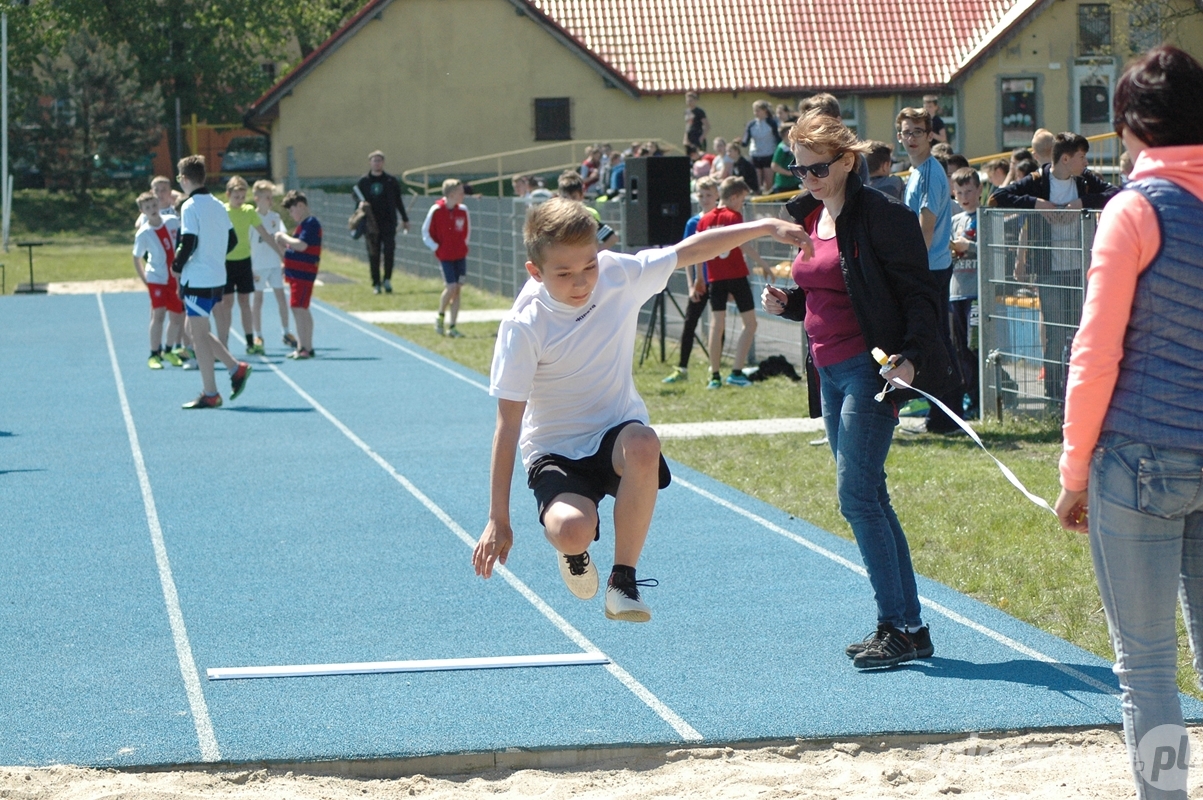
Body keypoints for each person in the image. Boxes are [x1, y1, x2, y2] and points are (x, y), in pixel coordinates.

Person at [472, 196, 810, 622]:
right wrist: (497, 519)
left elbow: (691, 250)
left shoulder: (617, 274)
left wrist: (763, 226)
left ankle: (622, 581)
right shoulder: (524, 326)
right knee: (574, 531)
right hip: (555, 450)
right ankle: (576, 551)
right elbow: (507, 424)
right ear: (535, 272)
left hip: (616, 432)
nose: (581, 283)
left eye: (589, 266)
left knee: (644, 442)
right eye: (564, 274)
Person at [1053, 45, 1203, 800]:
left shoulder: (1133, 209)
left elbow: (1095, 351)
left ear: (1129, 126)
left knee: (1145, 667)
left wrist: (1072, 472)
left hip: (1139, 459)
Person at [763, 112, 955, 669]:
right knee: (873, 496)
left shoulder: (883, 219)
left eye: (818, 168)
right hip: (827, 372)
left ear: (848, 161)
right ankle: (911, 627)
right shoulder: (810, 216)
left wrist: (913, 358)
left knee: (855, 497)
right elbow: (833, 288)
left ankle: (893, 625)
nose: (808, 179)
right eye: (799, 170)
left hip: (871, 373)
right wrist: (791, 305)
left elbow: (920, 297)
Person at [989, 132, 1119, 403]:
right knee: (1055, 334)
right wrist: (1037, 204)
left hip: (1079, 269)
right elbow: (998, 197)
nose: (1086, 162)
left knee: (1080, 333)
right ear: (1065, 158)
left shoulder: (1084, 181)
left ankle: (1080, 393)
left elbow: (1115, 193)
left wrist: (1081, 203)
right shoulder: (1037, 181)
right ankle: (1053, 395)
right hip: (1049, 270)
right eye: (1081, 157)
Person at [897, 106, 962, 433]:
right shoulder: (919, 170)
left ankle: (947, 416)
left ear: (929, 135)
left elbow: (925, 229)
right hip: (930, 267)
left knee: (936, 340)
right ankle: (943, 415)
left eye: (917, 132)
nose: (911, 138)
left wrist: (911, 270)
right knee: (934, 338)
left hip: (930, 269)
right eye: (906, 132)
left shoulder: (930, 173)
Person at [171, 155, 251, 409]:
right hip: (217, 276)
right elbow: (233, 241)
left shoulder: (189, 206)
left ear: (184, 179)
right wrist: (214, 256)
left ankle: (212, 391)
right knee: (198, 333)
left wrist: (176, 266)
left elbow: (188, 242)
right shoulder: (217, 204)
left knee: (197, 335)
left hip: (198, 278)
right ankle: (233, 368)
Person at [701, 176, 773, 389]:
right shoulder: (734, 216)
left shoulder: (705, 220)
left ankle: (714, 375)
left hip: (715, 278)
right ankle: (735, 371)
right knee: (750, 324)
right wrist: (764, 265)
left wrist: (698, 277)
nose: (742, 204)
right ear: (733, 197)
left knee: (716, 326)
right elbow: (743, 245)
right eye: (742, 199)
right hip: (736, 275)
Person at [662, 176, 720, 384]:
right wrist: (691, 283)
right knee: (689, 324)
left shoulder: (722, 221)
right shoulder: (693, 222)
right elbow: (688, 255)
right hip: (700, 281)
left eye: (709, 195)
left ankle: (716, 370)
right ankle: (682, 368)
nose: (705, 199)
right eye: (701, 195)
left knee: (717, 323)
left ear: (717, 196)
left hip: (719, 279)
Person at [219, 176, 281, 354]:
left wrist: (280, 253)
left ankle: (250, 342)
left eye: (242, 197)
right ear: (228, 195)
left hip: (244, 262)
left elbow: (265, 234)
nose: (239, 200)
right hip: (227, 263)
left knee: (245, 302)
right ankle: (224, 343)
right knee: (227, 303)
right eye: (236, 197)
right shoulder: (223, 211)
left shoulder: (249, 212)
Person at [132, 192, 185, 369]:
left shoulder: (172, 221)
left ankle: (169, 350)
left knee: (177, 316)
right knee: (159, 315)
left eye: (154, 205)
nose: (152, 210)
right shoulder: (144, 233)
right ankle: (154, 353)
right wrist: (145, 279)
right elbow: (136, 257)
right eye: (147, 208)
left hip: (174, 277)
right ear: (142, 211)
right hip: (156, 277)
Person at [274, 190, 322, 359]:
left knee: (298, 308)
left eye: (292, 209)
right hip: (297, 274)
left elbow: (301, 246)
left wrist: (283, 237)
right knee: (301, 308)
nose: (290, 214)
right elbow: (293, 250)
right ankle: (305, 345)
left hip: (303, 274)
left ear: (300, 206)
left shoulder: (311, 223)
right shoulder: (303, 225)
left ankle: (305, 347)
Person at [949, 167, 982, 416]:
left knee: (975, 346)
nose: (964, 196)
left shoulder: (986, 217)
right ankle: (968, 395)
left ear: (979, 190)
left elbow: (991, 250)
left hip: (977, 294)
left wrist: (968, 246)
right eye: (959, 192)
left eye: (969, 190)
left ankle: (980, 397)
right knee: (959, 348)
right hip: (956, 292)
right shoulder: (954, 221)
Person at [356, 150, 410, 294]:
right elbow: (357, 201)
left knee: (389, 251)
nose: (377, 163)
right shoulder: (364, 181)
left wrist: (405, 219)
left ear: (383, 163)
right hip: (371, 224)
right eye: (374, 160)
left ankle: (387, 279)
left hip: (388, 222)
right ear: (370, 163)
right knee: (373, 253)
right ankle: (376, 283)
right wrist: (361, 206)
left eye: (379, 160)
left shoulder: (390, 181)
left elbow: (398, 201)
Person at [422, 178, 471, 338]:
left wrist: (462, 245)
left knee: (457, 290)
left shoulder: (463, 210)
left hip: (460, 255)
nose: (463, 195)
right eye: (460, 192)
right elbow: (426, 232)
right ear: (451, 194)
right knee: (450, 287)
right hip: (445, 256)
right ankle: (440, 315)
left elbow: (467, 231)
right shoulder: (436, 210)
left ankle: (453, 326)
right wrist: (437, 247)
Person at [248, 180, 292, 351]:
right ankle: (258, 335)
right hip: (258, 265)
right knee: (258, 300)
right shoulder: (252, 217)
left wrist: (284, 259)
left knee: (281, 297)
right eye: (267, 197)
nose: (271, 201)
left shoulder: (275, 217)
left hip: (274, 263)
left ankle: (286, 332)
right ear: (257, 198)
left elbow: (281, 239)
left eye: (271, 197)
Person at [741, 100, 780, 193]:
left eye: (758, 110)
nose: (756, 113)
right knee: (757, 182)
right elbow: (746, 140)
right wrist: (740, 142)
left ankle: (768, 199)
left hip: (768, 154)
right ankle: (758, 197)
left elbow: (778, 138)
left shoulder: (772, 123)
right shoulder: (751, 124)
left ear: (765, 111)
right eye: (754, 111)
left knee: (768, 182)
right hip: (756, 154)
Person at [770, 121, 801, 194]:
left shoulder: (794, 146)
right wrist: (788, 173)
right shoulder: (781, 148)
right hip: (783, 184)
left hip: (794, 182)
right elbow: (774, 166)